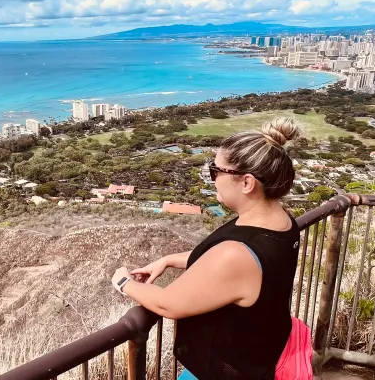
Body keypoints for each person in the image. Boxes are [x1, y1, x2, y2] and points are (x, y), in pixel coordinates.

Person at [111, 117, 302, 380]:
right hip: (258, 359)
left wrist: (123, 282)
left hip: (225, 369)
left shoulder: (238, 254)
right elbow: (226, 264)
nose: (212, 179)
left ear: (247, 183)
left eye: (216, 171)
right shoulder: (281, 222)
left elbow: (168, 305)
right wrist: (168, 260)